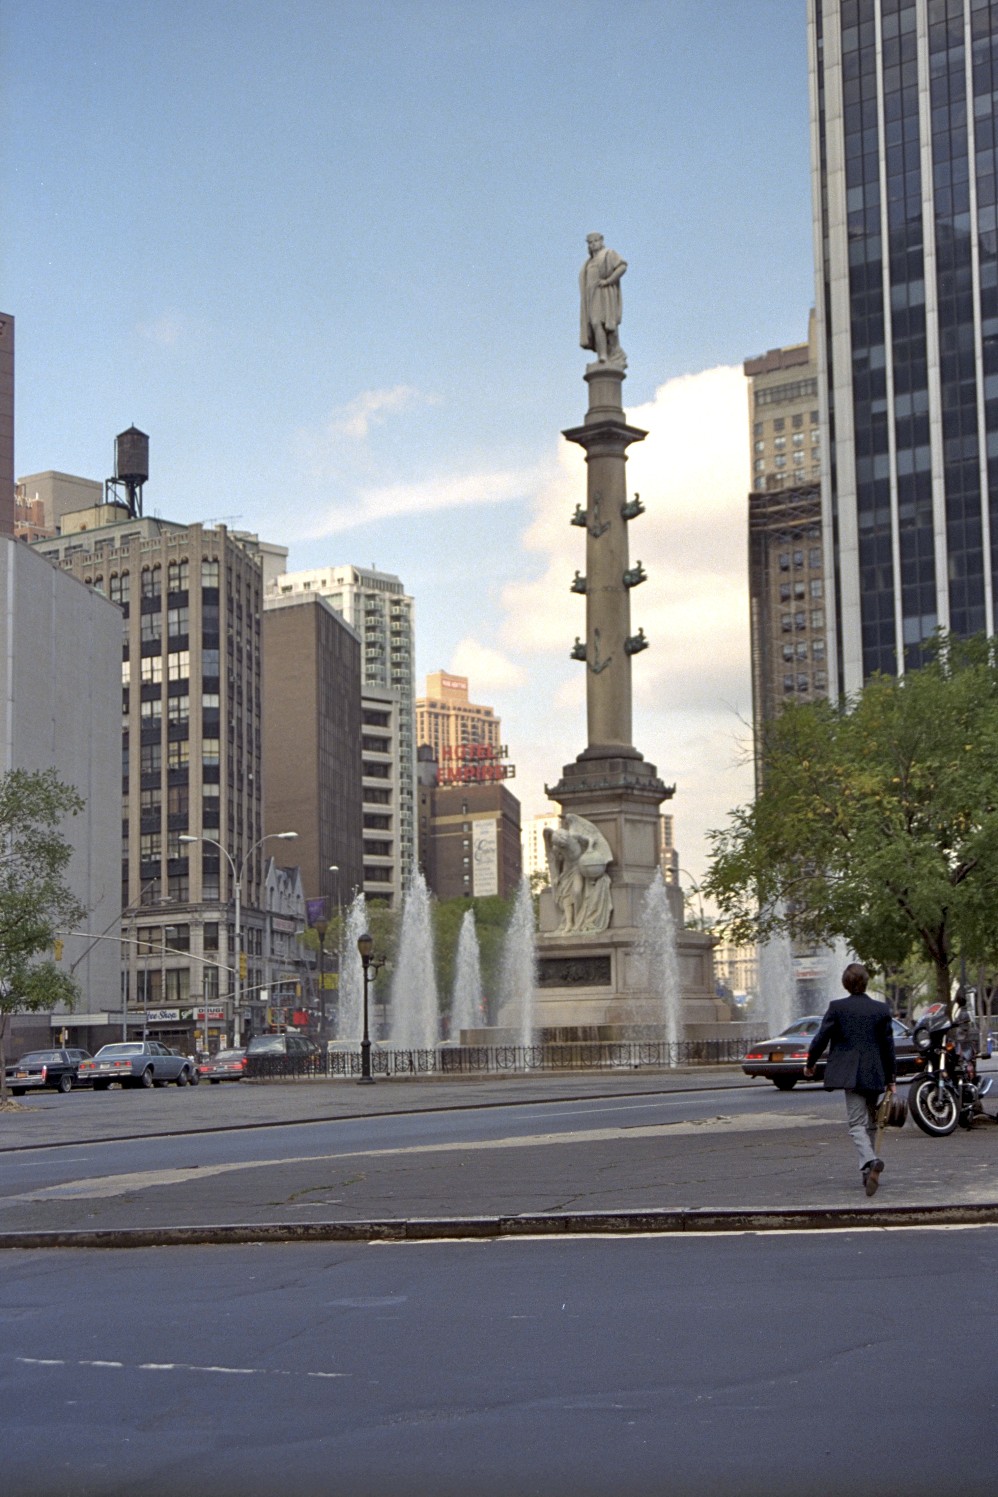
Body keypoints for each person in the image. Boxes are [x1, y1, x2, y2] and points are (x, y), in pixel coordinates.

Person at [804, 962, 896, 1196]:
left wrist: (810, 1063)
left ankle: (871, 1161)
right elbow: (888, 1047)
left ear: (845, 984)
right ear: (866, 982)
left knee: (856, 1124)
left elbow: (821, 1037)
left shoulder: (837, 1008)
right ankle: (868, 1172)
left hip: (850, 1074)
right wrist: (891, 1078)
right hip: (875, 1072)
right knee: (872, 1123)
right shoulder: (881, 1009)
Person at [579, 232, 627, 367]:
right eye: (590, 242)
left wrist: (608, 280)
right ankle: (603, 355)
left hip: (605, 294)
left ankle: (611, 355)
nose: (593, 244)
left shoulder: (608, 253)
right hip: (591, 297)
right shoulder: (588, 262)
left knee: (607, 325)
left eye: (595, 241)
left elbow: (622, 267)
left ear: (601, 241)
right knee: (595, 324)